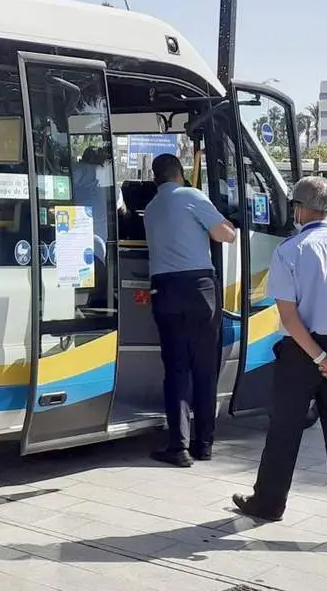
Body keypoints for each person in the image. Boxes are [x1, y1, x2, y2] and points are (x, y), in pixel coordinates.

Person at [232, 176, 327, 553]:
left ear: (298, 209)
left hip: (302, 352)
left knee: (284, 429)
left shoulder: (290, 250)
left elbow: (288, 315)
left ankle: (269, 503)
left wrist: (319, 358)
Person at [143, 153, 237, 467]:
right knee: (204, 368)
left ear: (155, 178)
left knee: (176, 369)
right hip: (199, 290)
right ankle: (204, 443)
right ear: (180, 174)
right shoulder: (191, 196)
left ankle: (178, 447)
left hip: (164, 290)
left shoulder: (151, 208)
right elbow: (226, 235)